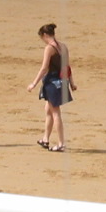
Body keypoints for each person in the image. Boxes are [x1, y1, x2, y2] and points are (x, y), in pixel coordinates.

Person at [26, 23, 77, 152]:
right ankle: (45, 139)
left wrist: (34, 83)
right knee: (48, 110)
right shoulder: (63, 47)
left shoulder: (49, 48)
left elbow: (44, 68)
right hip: (62, 81)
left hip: (52, 82)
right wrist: (71, 83)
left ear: (44, 35)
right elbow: (66, 67)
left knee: (55, 113)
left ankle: (61, 143)